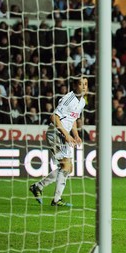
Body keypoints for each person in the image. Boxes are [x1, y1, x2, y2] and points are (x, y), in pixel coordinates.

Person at [30, 77, 88, 207]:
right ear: (74, 85)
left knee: (68, 168)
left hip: (64, 135)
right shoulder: (69, 98)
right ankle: (55, 199)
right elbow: (54, 116)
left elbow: (72, 119)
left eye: (86, 84)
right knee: (66, 167)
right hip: (55, 133)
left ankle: (38, 187)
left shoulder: (82, 102)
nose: (84, 87)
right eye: (80, 84)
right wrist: (67, 135)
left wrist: (76, 135)